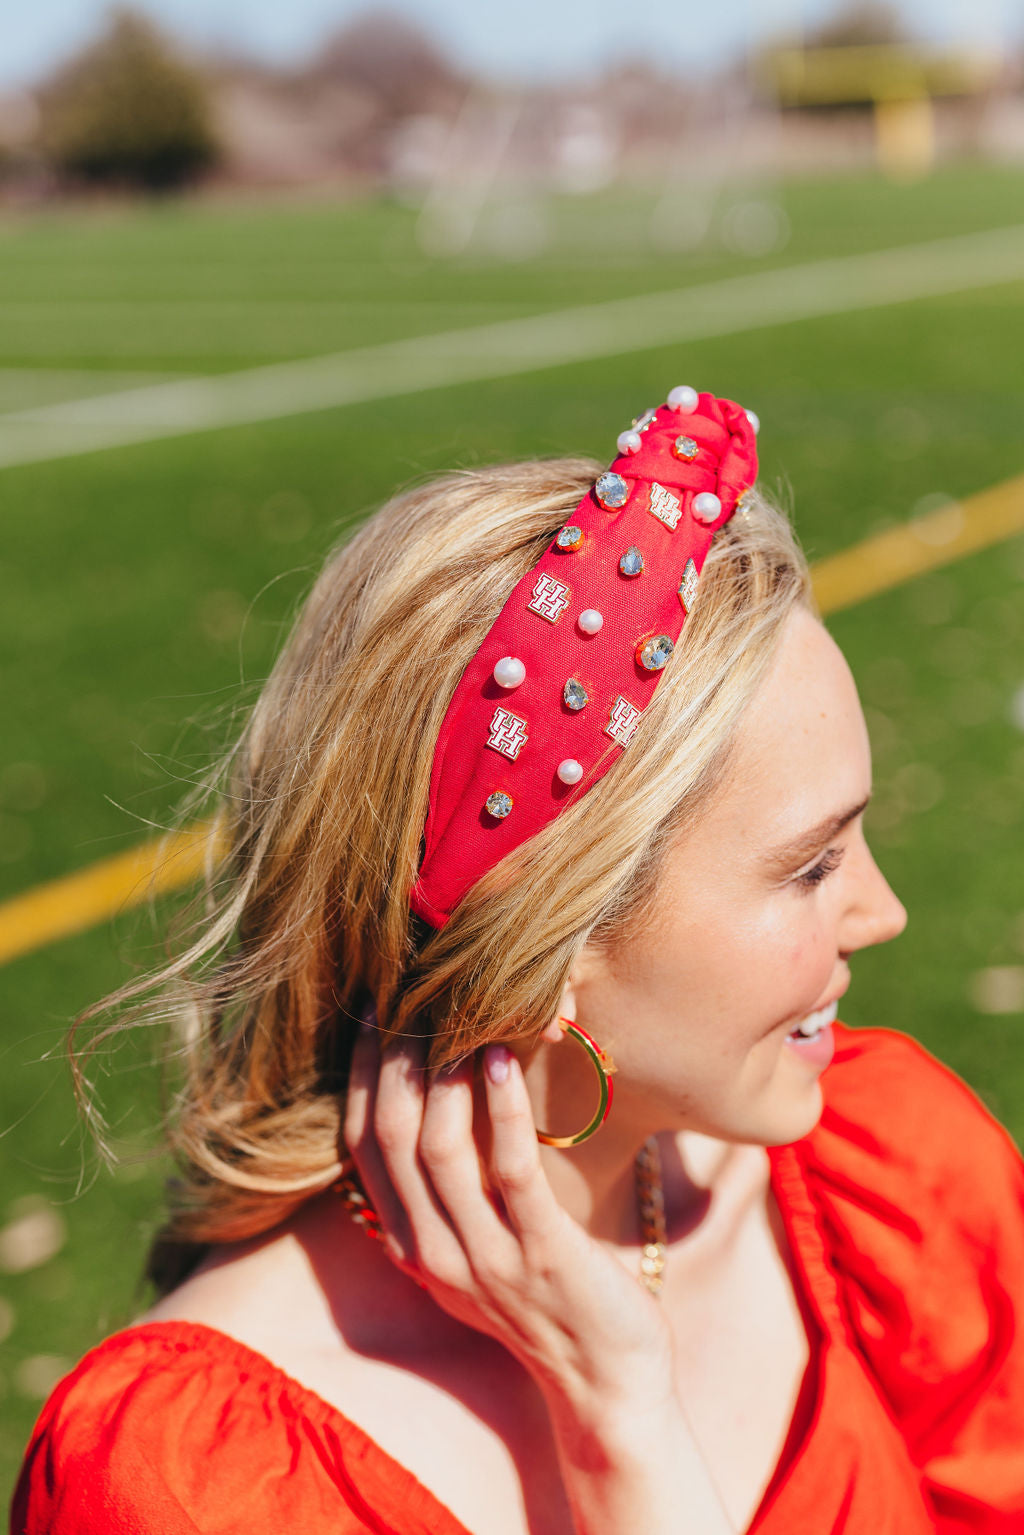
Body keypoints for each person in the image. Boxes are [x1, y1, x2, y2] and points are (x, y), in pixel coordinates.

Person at [10, 389, 1024, 1535]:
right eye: (808, 867)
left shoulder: (895, 1181)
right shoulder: (199, 1480)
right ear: (545, 938)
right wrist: (624, 1431)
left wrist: (630, 1424)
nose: (880, 911)